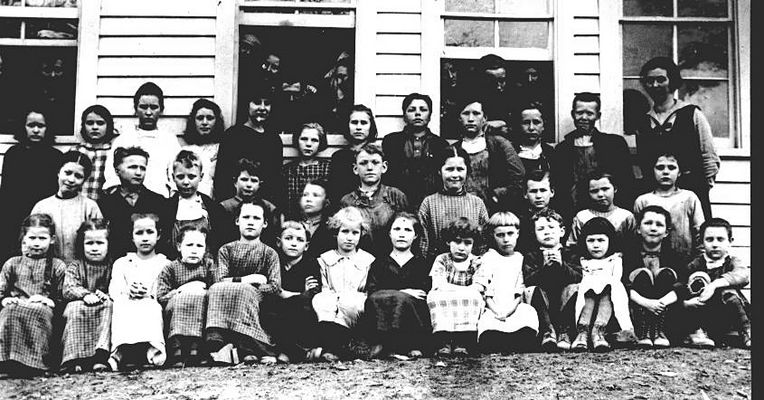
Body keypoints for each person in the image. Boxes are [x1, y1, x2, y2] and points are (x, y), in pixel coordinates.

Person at [637, 56, 719, 220]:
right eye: (650, 81)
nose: (655, 85)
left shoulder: (692, 114)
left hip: (691, 193)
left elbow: (709, 157)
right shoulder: (644, 122)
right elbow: (644, 162)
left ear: (672, 81)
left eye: (661, 80)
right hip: (657, 196)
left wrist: (701, 189)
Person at [205, 200, 281, 365]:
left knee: (244, 292)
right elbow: (219, 279)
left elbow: (275, 286)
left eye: (256, 218)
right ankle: (217, 337)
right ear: (237, 221)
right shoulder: (226, 250)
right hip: (229, 298)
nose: (251, 222)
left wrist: (256, 287)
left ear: (265, 224)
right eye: (246, 217)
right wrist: (247, 280)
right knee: (217, 288)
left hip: (259, 299)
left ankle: (255, 349)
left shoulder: (269, 253)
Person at [551, 92, 636, 222]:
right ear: (573, 114)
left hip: (607, 211)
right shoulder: (562, 149)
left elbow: (626, 182)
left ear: (598, 116)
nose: (584, 117)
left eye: (589, 113)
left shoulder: (614, 144)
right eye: (579, 113)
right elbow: (559, 185)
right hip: (572, 211)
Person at [0, 214, 66, 376]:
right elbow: (1, 289)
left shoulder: (57, 266)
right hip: (17, 303)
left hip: (43, 307)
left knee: (38, 311)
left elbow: (63, 296)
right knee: (10, 311)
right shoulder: (12, 263)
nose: (36, 243)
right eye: (32, 238)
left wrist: (48, 301)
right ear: (24, 239)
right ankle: (7, 361)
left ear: (51, 239)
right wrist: (5, 299)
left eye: (42, 238)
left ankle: (35, 363)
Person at [311, 206, 375, 362]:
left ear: (361, 234)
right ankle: (334, 347)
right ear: (336, 233)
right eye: (345, 232)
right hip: (331, 299)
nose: (349, 237)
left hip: (355, 302)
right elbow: (322, 286)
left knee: (349, 302)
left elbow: (370, 287)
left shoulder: (367, 260)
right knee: (322, 300)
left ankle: (338, 348)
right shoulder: (325, 259)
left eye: (355, 233)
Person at [365, 212, 432, 360]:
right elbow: (373, 290)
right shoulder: (380, 263)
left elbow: (423, 292)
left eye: (407, 230)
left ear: (415, 236)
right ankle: (383, 343)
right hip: (383, 309)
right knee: (378, 298)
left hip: (412, 314)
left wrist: (403, 296)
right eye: (397, 229)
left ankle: (411, 344)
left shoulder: (422, 264)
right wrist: (402, 292)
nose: (401, 234)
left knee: (407, 302)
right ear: (389, 233)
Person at [0, 107, 62, 262]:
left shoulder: (55, 156)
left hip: (44, 215)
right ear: (23, 127)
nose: (35, 130)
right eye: (31, 125)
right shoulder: (13, 154)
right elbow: (6, 191)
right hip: (15, 213)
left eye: (41, 126)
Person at [108, 213, 168, 371]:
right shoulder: (122, 263)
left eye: (150, 232)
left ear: (159, 235)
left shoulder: (165, 263)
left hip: (153, 301)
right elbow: (115, 290)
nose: (145, 238)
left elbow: (165, 289)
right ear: (132, 237)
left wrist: (148, 293)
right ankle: (122, 351)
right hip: (127, 301)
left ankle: (150, 349)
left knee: (150, 307)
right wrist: (129, 290)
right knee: (121, 306)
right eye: (139, 233)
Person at [622, 206, 687, 348]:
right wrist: (647, 303)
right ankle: (643, 332)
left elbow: (682, 285)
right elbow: (623, 284)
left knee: (666, 274)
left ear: (666, 232)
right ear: (638, 228)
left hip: (665, 308)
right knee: (641, 275)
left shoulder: (675, 255)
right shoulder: (628, 255)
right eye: (648, 223)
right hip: (638, 307)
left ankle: (660, 331)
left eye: (659, 225)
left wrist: (661, 303)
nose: (653, 228)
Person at [475, 212, 539, 354]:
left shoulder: (520, 258)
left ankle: (516, 341)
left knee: (528, 313)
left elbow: (519, 289)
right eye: (500, 235)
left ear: (517, 233)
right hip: (493, 307)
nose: (506, 239)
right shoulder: (489, 257)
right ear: (493, 235)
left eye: (510, 234)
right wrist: (496, 311)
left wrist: (510, 310)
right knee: (487, 322)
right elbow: (486, 290)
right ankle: (500, 342)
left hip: (514, 306)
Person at [103, 82, 182, 198]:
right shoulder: (124, 139)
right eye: (143, 107)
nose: (148, 112)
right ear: (135, 109)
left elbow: (177, 172)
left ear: (161, 109)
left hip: (161, 200)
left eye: (154, 107)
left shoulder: (169, 140)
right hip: (128, 201)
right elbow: (112, 175)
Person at [680, 218, 750, 349]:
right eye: (709, 239)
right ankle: (698, 332)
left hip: (727, 313)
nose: (715, 244)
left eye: (720, 239)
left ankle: (747, 331)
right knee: (694, 288)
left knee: (728, 293)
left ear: (730, 242)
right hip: (704, 312)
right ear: (701, 242)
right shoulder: (696, 264)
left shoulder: (732, 262)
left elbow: (743, 275)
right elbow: (681, 284)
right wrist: (687, 303)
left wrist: (715, 284)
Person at [157, 225, 220, 368]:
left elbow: (216, 289)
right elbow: (161, 296)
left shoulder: (208, 265)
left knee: (199, 297)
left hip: (201, 305)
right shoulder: (170, 268)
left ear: (205, 249)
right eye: (189, 245)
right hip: (177, 307)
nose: (194, 249)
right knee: (186, 297)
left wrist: (204, 291)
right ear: (179, 246)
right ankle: (177, 349)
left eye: (199, 246)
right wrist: (180, 291)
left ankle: (197, 348)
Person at [522, 208, 582, 351]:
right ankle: (547, 331)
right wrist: (544, 268)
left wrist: (562, 265)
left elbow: (579, 276)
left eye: (551, 227)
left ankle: (564, 332)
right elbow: (529, 280)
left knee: (574, 288)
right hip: (544, 305)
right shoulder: (532, 256)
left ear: (561, 231)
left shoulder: (570, 253)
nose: (547, 232)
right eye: (541, 229)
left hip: (564, 304)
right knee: (532, 290)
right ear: (534, 234)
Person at [571, 218, 634, 352]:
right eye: (591, 240)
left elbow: (616, 279)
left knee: (609, 286)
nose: (596, 245)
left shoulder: (615, 260)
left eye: (601, 240)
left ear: (610, 241)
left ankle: (598, 331)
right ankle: (583, 332)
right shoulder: (582, 261)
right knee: (588, 288)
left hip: (608, 300)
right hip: (587, 299)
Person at [452, 97, 525, 213]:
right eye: (466, 114)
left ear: (484, 118)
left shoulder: (499, 144)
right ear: (459, 118)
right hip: (460, 209)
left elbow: (519, 176)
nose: (471, 119)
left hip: (493, 209)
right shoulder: (453, 149)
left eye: (476, 114)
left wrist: (497, 195)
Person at [60, 219, 114, 373]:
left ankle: (100, 356)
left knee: (108, 307)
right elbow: (68, 288)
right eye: (89, 243)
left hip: (104, 302)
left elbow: (118, 286)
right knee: (74, 308)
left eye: (100, 243)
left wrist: (107, 295)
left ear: (108, 244)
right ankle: (74, 358)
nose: (95, 248)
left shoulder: (113, 265)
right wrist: (84, 294)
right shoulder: (76, 265)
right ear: (81, 245)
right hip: (80, 302)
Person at [426, 217, 485, 357]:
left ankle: (462, 341)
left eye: (467, 243)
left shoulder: (476, 261)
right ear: (448, 241)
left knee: (474, 298)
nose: (461, 247)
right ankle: (443, 340)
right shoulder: (442, 259)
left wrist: (458, 291)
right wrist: (463, 291)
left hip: (465, 295)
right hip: (447, 294)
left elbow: (478, 287)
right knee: (434, 296)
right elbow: (438, 284)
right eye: (457, 241)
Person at [418, 145, 489, 260]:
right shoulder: (429, 203)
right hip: (437, 266)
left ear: (467, 171)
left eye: (460, 169)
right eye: (449, 169)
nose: (455, 175)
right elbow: (423, 244)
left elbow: (484, 243)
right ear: (439, 171)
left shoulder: (477, 203)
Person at [264, 221, 321, 363]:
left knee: (301, 307)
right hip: (276, 310)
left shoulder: (311, 264)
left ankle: (289, 352)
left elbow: (311, 293)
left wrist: (284, 293)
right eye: (288, 238)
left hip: (301, 312)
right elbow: (269, 290)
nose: (294, 243)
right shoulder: (273, 262)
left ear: (306, 246)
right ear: (278, 242)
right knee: (270, 310)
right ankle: (289, 351)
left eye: (300, 240)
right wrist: (299, 293)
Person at [31, 150, 103, 263]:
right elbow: (29, 241)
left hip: (80, 272)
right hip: (47, 270)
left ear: (84, 181)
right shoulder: (42, 206)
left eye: (78, 176)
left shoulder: (90, 207)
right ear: (59, 172)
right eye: (67, 173)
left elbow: (100, 240)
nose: (71, 180)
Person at [97, 146, 169, 259]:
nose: (139, 173)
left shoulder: (159, 202)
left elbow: (164, 240)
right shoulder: (105, 203)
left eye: (143, 168)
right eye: (133, 167)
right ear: (117, 171)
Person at [214, 87, 283, 203]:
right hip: (235, 203)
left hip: (263, 206)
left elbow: (275, 179)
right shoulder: (233, 135)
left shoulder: (274, 139)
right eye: (256, 103)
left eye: (267, 104)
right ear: (247, 105)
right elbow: (222, 176)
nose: (262, 108)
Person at [382, 93, 450, 209]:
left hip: (431, 203)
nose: (417, 113)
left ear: (430, 115)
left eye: (423, 110)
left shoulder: (440, 144)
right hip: (396, 202)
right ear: (404, 115)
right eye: (412, 110)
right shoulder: (391, 141)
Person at [339, 143, 409, 256]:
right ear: (355, 169)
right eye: (363, 163)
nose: (370, 167)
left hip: (390, 261)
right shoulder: (347, 201)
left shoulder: (395, 196)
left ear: (384, 167)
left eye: (375, 163)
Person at [633, 153, 704, 258]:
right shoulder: (643, 200)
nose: (665, 172)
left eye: (671, 168)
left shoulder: (689, 198)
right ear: (653, 170)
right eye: (660, 168)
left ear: (679, 172)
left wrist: (699, 261)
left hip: (685, 261)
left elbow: (700, 232)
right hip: (651, 260)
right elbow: (636, 235)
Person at [163, 150, 227, 260]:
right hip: (175, 265)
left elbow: (220, 240)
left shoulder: (212, 208)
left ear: (201, 177)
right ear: (173, 177)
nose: (186, 182)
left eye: (191, 177)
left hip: (206, 265)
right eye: (180, 177)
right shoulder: (167, 207)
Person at [566, 172, 636, 254]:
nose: (600, 194)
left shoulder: (626, 216)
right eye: (594, 191)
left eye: (605, 189)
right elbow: (572, 247)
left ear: (615, 189)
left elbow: (634, 246)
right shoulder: (582, 217)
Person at [219, 158, 281, 248]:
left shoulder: (269, 208)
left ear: (260, 184)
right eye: (244, 179)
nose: (249, 184)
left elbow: (271, 238)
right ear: (235, 182)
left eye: (254, 180)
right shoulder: (224, 207)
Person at [327, 104, 378, 204]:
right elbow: (335, 190)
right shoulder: (339, 157)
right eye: (354, 123)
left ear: (370, 126)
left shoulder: (377, 156)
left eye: (363, 123)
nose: (359, 127)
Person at [281, 122, 331, 217]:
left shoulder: (327, 169)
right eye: (304, 139)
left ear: (320, 143)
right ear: (297, 140)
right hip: (293, 220)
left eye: (314, 140)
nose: (308, 144)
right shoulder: (287, 170)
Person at [70, 105, 117, 202]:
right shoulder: (76, 151)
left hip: (104, 206)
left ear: (108, 126)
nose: (95, 127)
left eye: (100, 123)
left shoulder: (112, 152)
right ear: (83, 126)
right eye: (90, 123)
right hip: (78, 204)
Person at [179, 98, 225, 198]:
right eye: (200, 118)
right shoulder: (186, 151)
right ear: (193, 121)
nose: (204, 122)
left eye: (209, 118)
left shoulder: (223, 149)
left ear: (217, 121)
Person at [516, 170, 559, 253]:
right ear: (525, 194)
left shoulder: (558, 220)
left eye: (543, 190)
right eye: (533, 191)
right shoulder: (519, 222)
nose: (538, 196)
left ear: (552, 192)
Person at [511, 101, 555, 177]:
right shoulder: (510, 153)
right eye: (526, 122)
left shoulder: (552, 154)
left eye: (536, 122)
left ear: (543, 125)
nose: (531, 128)